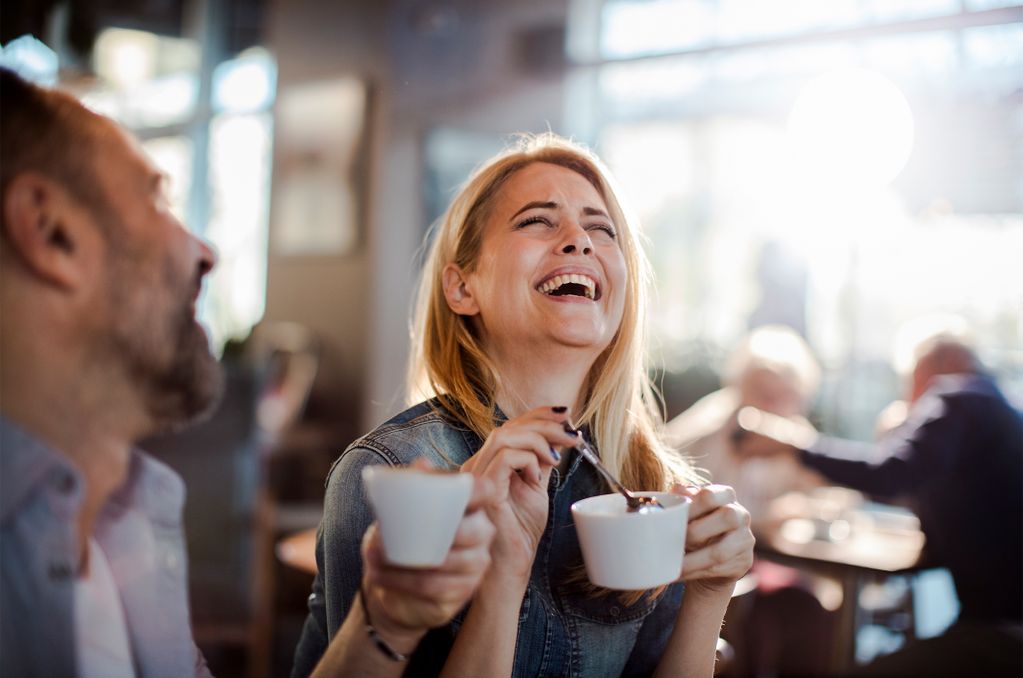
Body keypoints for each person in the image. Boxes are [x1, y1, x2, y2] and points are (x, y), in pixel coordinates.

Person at [0, 67, 494, 677]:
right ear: (51, 232)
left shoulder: (125, 526)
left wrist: (385, 619)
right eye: (156, 198)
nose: (204, 251)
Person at [292, 133, 755, 677]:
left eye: (601, 228)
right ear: (463, 289)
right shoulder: (389, 473)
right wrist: (502, 576)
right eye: (538, 220)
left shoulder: (651, 482)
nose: (579, 240)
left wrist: (709, 593)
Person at [737, 315, 1023, 676]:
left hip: (1001, 635)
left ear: (944, 361)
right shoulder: (1000, 411)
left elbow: (890, 472)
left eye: (911, 378)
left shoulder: (958, 394)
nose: (911, 396)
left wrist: (793, 446)